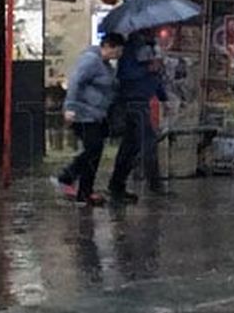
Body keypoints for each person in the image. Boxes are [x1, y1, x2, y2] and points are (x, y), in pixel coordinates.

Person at [57, 32, 125, 206]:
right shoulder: (91, 61)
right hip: (83, 114)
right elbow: (75, 82)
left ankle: (80, 187)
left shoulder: (106, 65)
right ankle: (72, 181)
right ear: (108, 46)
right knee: (93, 149)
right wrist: (70, 107)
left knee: (95, 151)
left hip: (96, 115)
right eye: (117, 50)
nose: (118, 55)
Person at [107, 29, 168, 202]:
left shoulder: (151, 48)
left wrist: (162, 95)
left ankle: (117, 184)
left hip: (142, 101)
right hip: (133, 102)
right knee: (148, 142)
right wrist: (147, 68)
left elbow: (155, 77)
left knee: (130, 146)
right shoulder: (130, 49)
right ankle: (154, 184)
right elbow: (125, 75)